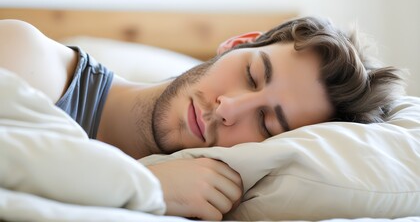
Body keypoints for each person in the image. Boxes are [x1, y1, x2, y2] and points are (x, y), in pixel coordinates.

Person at [0, 16, 405, 220]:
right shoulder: (33, 60)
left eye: (265, 124)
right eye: (251, 74)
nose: (229, 108)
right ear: (235, 44)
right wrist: (151, 186)